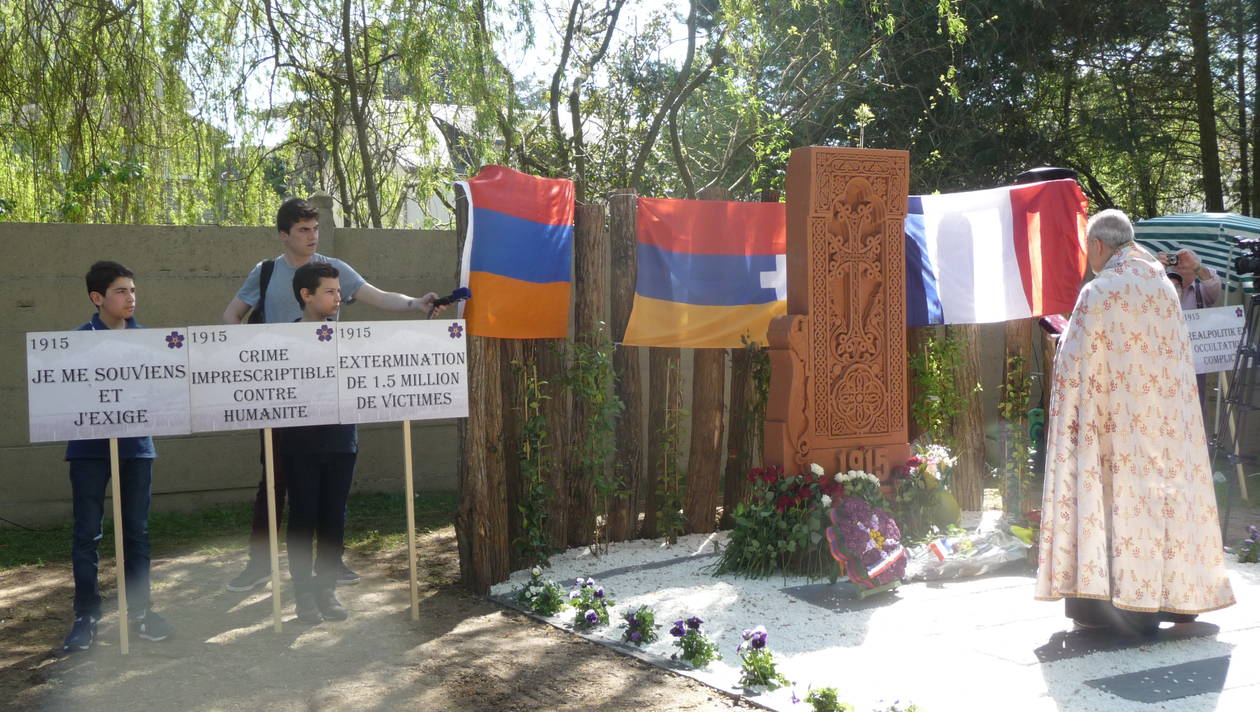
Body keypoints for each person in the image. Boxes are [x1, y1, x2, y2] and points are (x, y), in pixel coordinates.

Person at [222, 197, 444, 592]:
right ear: (284, 235)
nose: (312, 236)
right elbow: (231, 315)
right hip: (280, 394)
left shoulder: (333, 271)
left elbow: (378, 296)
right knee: (274, 480)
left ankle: (330, 562)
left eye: (315, 229)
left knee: (332, 479)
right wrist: (254, 356)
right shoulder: (266, 272)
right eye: (303, 230)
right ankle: (259, 565)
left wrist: (416, 303)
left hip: (331, 390)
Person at [1035, 210, 1235, 634]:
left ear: (1099, 246)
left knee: (1119, 507)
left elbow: (1075, 364)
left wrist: (1061, 340)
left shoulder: (1100, 291)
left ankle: (1121, 608)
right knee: (1162, 503)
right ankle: (1174, 599)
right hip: (1165, 427)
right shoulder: (1163, 286)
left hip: (1117, 430)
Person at [62, 261, 171, 651]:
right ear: (98, 298)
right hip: (89, 452)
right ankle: (86, 616)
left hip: (136, 449)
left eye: (133, 290)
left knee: (137, 532)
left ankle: (141, 613)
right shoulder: (75, 343)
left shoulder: (150, 342)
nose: (131, 298)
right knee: (86, 534)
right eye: (122, 291)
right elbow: (63, 398)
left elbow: (163, 394)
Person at [281, 262, 357, 622]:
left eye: (339, 291)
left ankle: (326, 591)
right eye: (329, 291)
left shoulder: (348, 341)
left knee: (333, 518)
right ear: (306, 295)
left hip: (342, 441)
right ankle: (302, 596)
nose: (338, 298)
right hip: (299, 445)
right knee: (302, 517)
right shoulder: (283, 342)